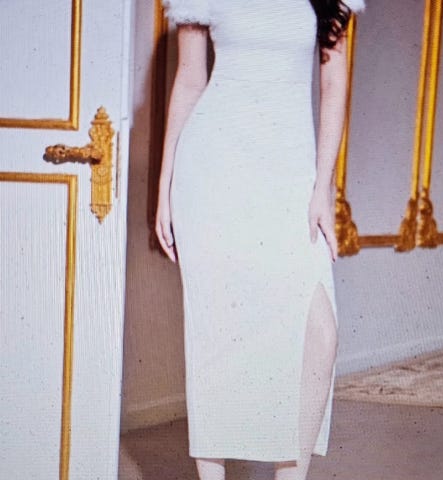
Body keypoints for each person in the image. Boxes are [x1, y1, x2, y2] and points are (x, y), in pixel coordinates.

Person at [155, 1, 365, 479]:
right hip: (214, 171)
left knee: (321, 333)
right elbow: (189, 78)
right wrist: (165, 185)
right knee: (216, 338)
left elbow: (334, 82)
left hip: (290, 177)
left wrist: (322, 188)